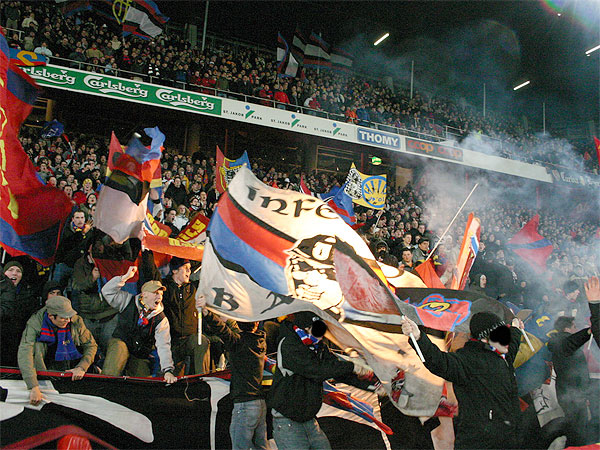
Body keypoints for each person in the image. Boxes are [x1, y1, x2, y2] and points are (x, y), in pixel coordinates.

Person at [400, 312, 524, 449]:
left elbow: (513, 347)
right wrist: (418, 337)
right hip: (479, 443)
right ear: (485, 338)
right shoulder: (467, 361)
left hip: (508, 440)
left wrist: (516, 329)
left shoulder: (502, 358)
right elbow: (439, 361)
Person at [269, 312, 372, 450]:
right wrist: (352, 366)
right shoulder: (289, 344)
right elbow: (316, 370)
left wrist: (370, 385)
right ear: (305, 328)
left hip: (309, 419)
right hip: (288, 422)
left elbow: (335, 369)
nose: (321, 336)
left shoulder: (316, 345)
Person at [199, 299, 268, 450]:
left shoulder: (238, 343)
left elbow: (222, 330)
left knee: (240, 446)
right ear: (257, 324)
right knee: (262, 446)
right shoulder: (261, 341)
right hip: (260, 403)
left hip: (244, 404)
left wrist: (207, 313)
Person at [101, 266, 177, 383]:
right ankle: (106, 385)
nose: (159, 297)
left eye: (161, 294)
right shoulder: (127, 301)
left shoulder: (161, 320)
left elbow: (164, 346)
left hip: (139, 354)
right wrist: (124, 278)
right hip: (121, 342)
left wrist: (168, 370)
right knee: (118, 352)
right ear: (144, 294)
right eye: (156, 293)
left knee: (142, 382)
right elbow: (107, 292)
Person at [18, 296, 98, 405]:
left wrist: (81, 367)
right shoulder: (35, 323)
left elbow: (91, 345)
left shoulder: (75, 320)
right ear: (51, 316)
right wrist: (33, 386)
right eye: (63, 318)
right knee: (37, 346)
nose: (68, 320)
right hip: (47, 362)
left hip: (70, 363)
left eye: (69, 317)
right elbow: (25, 353)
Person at [142, 254, 211, 375]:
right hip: (170, 343)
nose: (189, 271)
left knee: (201, 341)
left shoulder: (194, 288)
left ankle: (202, 378)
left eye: (190, 268)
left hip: (189, 341)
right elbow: (151, 273)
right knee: (170, 378)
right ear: (174, 271)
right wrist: (146, 250)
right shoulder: (164, 288)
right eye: (186, 268)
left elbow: (212, 278)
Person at [547, 315, 594, 445]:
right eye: (574, 326)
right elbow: (580, 373)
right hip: (574, 393)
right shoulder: (566, 344)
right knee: (578, 429)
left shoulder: (557, 343)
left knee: (573, 426)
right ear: (567, 328)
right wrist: (589, 331)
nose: (576, 329)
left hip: (566, 391)